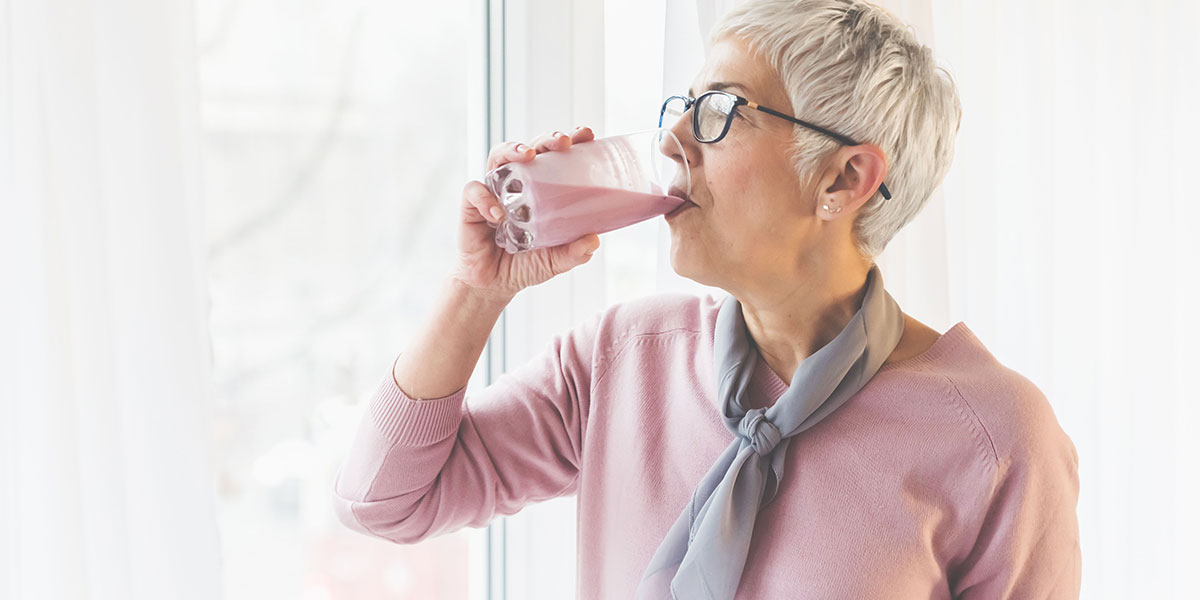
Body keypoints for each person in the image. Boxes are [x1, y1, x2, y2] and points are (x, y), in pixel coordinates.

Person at [332, 0, 1081, 598]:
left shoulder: (997, 443)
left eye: (721, 111)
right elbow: (381, 499)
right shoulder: (620, 360)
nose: (672, 142)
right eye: (682, 106)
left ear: (843, 180)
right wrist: (475, 292)